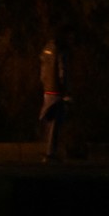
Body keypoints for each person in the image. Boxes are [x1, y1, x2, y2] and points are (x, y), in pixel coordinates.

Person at [39, 30, 71, 161]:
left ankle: (49, 150)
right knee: (56, 122)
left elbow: (42, 70)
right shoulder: (60, 51)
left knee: (50, 119)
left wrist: (44, 83)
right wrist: (66, 90)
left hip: (47, 89)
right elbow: (62, 72)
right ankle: (51, 152)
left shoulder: (46, 49)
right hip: (57, 89)